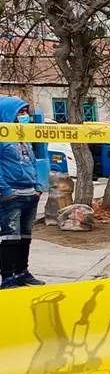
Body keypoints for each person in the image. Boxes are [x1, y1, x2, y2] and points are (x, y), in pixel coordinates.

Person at [0, 97, 44, 289]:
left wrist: (38, 186)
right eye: (21, 112)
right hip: (11, 196)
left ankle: (22, 272)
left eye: (26, 112)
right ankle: (7, 277)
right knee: (11, 237)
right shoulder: (3, 138)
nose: (24, 116)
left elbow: (31, 162)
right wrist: (5, 190)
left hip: (30, 195)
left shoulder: (24, 137)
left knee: (25, 237)